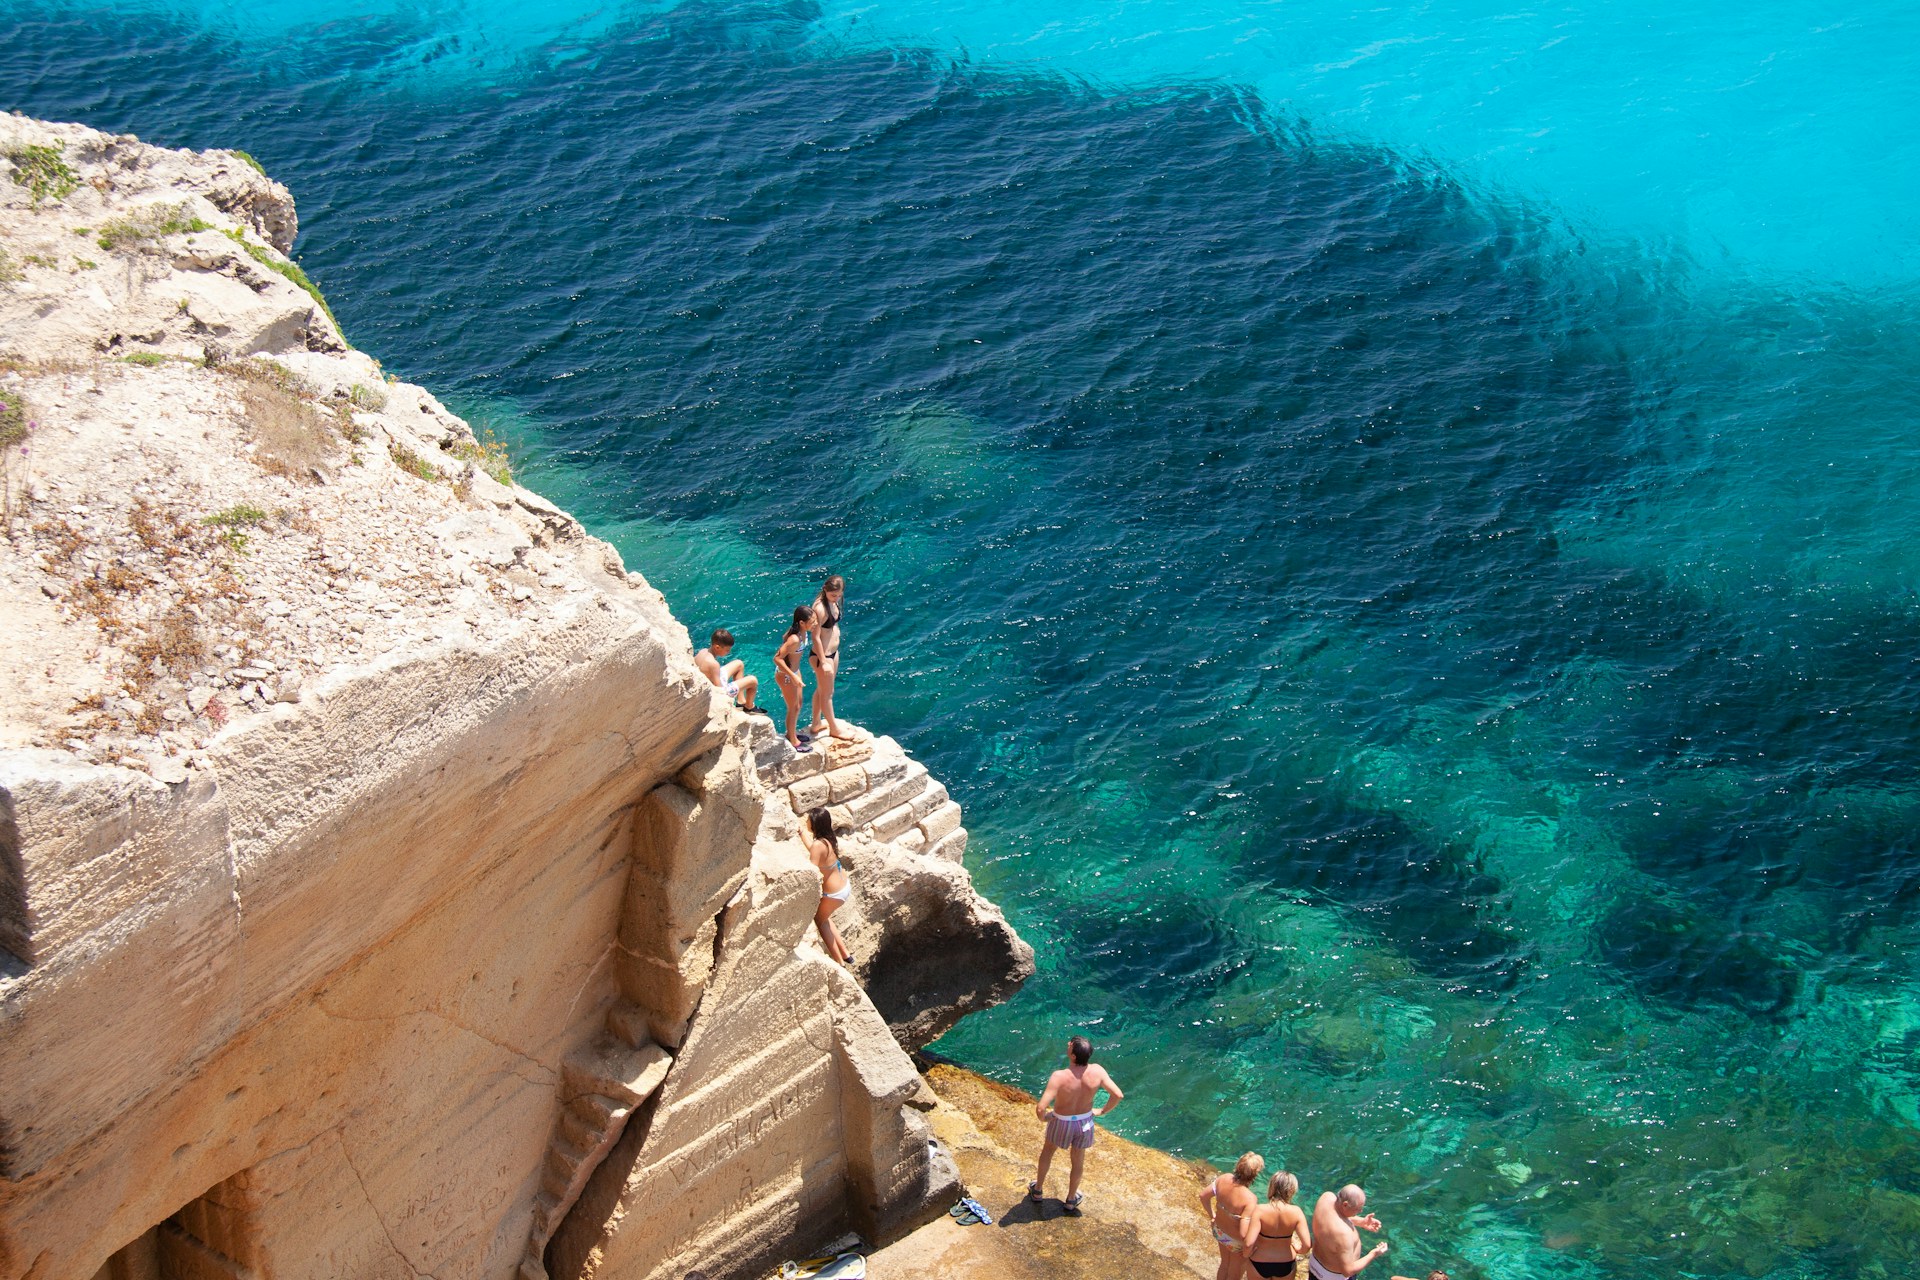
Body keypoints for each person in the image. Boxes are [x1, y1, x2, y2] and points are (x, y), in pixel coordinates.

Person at [1029, 1035, 1123, 1214]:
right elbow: (1118, 1095)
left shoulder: (1059, 1076)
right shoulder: (1098, 1071)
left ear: (1073, 1056)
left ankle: (1038, 1190)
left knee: (1048, 1151)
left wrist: (1045, 1118)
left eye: (1070, 1045)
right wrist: (1101, 1111)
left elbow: (1041, 1107)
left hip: (1062, 1122)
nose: (1067, 1044)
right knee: (1078, 1160)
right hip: (1084, 1122)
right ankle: (1071, 1200)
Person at [807, 574, 855, 742]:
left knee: (822, 689)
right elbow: (816, 637)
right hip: (823, 656)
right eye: (833, 594)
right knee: (828, 693)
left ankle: (815, 723)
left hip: (832, 653)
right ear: (825, 590)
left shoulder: (833, 603)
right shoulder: (819, 609)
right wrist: (823, 661)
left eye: (839, 594)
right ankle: (834, 729)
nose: (836, 597)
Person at [1199, 1153, 1263, 1279]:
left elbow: (1203, 1196)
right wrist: (1249, 1249)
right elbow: (1244, 1234)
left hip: (1220, 1232)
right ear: (1255, 1174)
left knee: (1224, 1264)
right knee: (1235, 1271)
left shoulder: (1224, 1178)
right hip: (1236, 1242)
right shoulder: (1250, 1199)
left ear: (1238, 1165)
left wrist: (1212, 1215)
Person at [1309, 1185, 1388, 1279]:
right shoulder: (1343, 1234)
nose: (1361, 1211)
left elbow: (1335, 1219)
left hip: (1314, 1264)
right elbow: (1347, 1271)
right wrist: (1374, 1254)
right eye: (1358, 1209)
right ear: (1345, 1204)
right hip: (1332, 1276)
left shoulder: (1326, 1197)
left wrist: (1361, 1222)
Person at [805, 808, 852, 964]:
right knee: (825, 917)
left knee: (820, 920)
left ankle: (840, 963)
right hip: (843, 887)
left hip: (833, 894)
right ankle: (846, 955)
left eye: (808, 820)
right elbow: (815, 851)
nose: (806, 822)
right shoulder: (828, 839)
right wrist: (800, 834)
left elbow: (812, 870)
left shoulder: (818, 844)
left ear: (814, 824)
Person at [1248, 1170, 1311, 1279]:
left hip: (1259, 1260)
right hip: (1285, 1262)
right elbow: (1307, 1245)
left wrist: (1246, 1254)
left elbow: (1249, 1243)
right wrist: (1298, 1249)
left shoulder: (1260, 1210)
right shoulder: (1296, 1212)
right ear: (1292, 1190)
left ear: (1272, 1186)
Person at [773, 606, 814, 752]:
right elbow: (777, 658)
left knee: (799, 703)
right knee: (794, 707)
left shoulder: (802, 633)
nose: (814, 624)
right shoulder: (794, 639)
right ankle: (792, 739)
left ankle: (791, 732)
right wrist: (792, 676)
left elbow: (785, 638)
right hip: (786, 675)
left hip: (795, 671)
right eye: (812, 622)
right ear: (802, 623)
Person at [694, 628, 761, 714]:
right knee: (753, 680)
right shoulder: (714, 664)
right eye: (727, 650)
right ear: (717, 647)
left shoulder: (703, 651)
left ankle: (741, 701)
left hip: (712, 678)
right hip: (717, 690)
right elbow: (720, 691)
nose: (729, 652)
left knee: (739, 664)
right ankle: (749, 707)